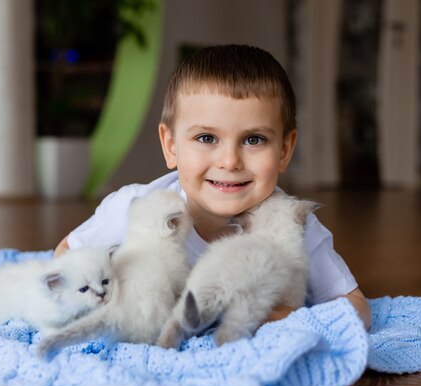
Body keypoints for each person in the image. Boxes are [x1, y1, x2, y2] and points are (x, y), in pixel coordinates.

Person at [54, 44, 371, 329]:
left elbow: (356, 308)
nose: (230, 161)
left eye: (253, 139)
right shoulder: (137, 208)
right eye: (206, 138)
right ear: (171, 146)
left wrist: (280, 318)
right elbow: (67, 254)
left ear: (285, 151)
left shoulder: (292, 226)